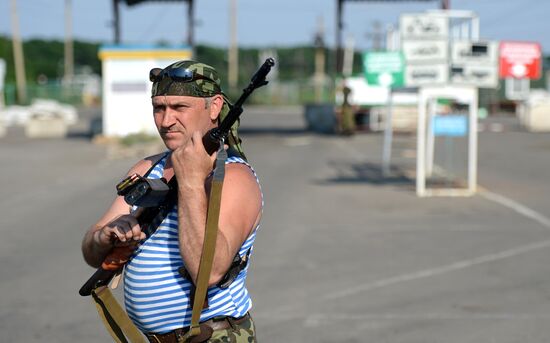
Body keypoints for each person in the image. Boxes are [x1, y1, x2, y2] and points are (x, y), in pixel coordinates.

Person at [81, 60, 263, 342]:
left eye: (180, 108)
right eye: (159, 108)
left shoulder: (235, 177)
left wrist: (190, 180)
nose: (166, 121)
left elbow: (211, 271)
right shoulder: (146, 169)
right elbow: (91, 252)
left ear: (214, 107)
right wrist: (105, 237)